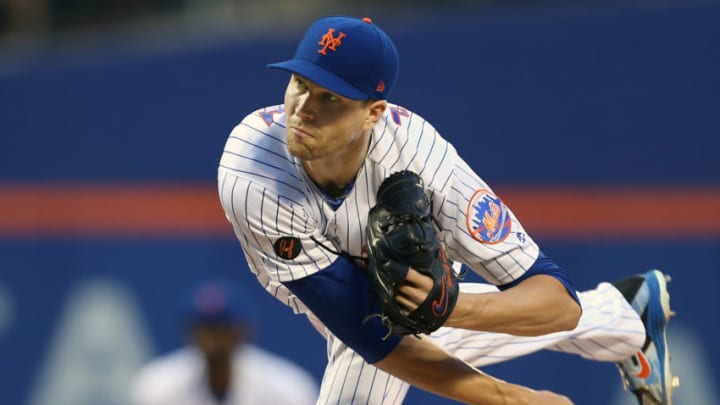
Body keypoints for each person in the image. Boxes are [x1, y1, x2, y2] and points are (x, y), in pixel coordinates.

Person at [216, 15, 677, 405]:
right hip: (321, 280)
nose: (302, 109)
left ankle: (621, 316)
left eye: (330, 97)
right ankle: (622, 315)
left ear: (373, 113)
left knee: (391, 333)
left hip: (398, 271)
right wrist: (516, 399)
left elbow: (556, 303)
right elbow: (367, 332)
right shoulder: (253, 172)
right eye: (300, 83)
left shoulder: (426, 163)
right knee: (392, 322)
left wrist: (449, 307)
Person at [130, 278, 319, 405]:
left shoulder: (286, 388)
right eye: (205, 328)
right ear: (190, 333)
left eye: (222, 329)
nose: (213, 339)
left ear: (241, 332)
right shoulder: (157, 386)